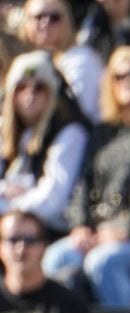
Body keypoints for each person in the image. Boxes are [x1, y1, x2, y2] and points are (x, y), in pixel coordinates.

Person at [42, 46, 130, 312]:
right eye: (121, 76)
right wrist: (80, 226)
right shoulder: (103, 132)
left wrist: (127, 228)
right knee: (56, 257)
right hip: (100, 233)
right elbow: (82, 186)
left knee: (104, 262)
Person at [0, 49, 91, 236]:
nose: (30, 95)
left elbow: (53, 200)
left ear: (52, 94)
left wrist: (8, 205)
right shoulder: (6, 129)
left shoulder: (69, 132)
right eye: (21, 87)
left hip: (50, 230)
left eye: (39, 88)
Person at [19, 0, 105, 122]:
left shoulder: (81, 60)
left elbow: (77, 114)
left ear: (67, 22)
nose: (46, 22)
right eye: (39, 17)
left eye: (54, 18)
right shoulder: (26, 61)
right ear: (26, 22)